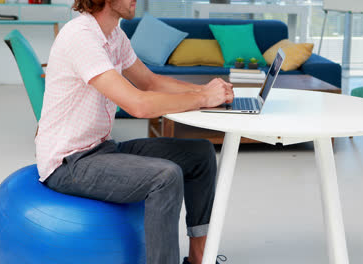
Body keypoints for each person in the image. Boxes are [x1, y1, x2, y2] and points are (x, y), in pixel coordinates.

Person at [35, 0, 234, 263]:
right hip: (69, 163)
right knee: (165, 176)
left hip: (101, 149)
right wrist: (202, 99)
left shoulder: (115, 35)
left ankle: (199, 257)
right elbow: (138, 104)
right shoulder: (80, 37)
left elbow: (150, 81)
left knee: (199, 154)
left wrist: (206, 91)